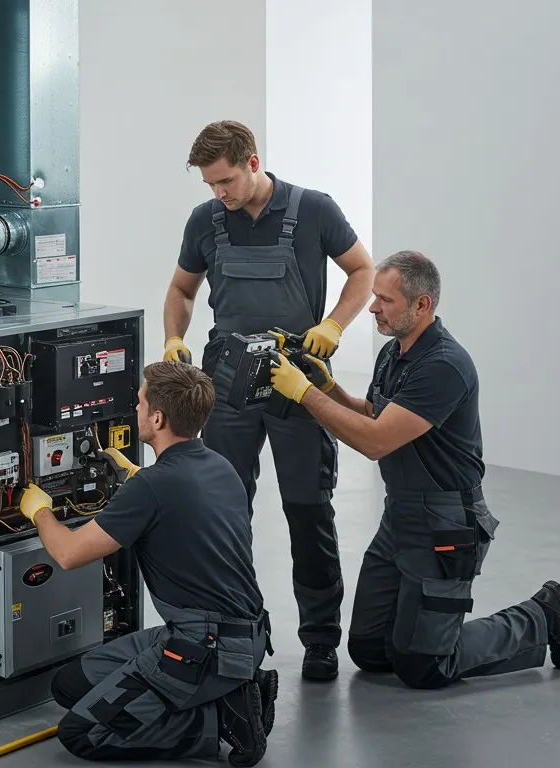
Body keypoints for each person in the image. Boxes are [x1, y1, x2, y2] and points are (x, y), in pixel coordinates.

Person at [267, 250, 560, 689]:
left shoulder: (444, 366)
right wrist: (328, 387)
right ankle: (423, 629)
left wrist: (303, 394)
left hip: (446, 524)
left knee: (426, 666)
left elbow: (376, 442)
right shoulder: (394, 353)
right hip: (399, 516)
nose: (373, 307)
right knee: (370, 651)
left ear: (422, 305)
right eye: (374, 296)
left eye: (385, 300)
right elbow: (377, 417)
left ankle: (542, 616)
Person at [162, 119, 376, 682]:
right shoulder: (205, 221)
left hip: (297, 382)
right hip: (229, 386)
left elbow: (363, 270)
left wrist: (334, 325)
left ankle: (320, 640)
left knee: (308, 509)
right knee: (224, 511)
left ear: (253, 162)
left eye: (226, 180)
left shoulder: (314, 211)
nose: (220, 193)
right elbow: (182, 290)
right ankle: (234, 631)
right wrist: (174, 336)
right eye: (211, 185)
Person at [17, 361, 279, 767]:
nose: (134, 408)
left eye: (139, 403)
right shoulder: (220, 466)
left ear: (157, 418)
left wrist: (39, 512)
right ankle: (230, 688)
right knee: (70, 687)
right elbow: (181, 502)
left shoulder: (151, 488)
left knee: (82, 733)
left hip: (203, 646)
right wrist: (133, 472)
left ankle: (224, 718)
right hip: (243, 635)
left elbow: (68, 554)